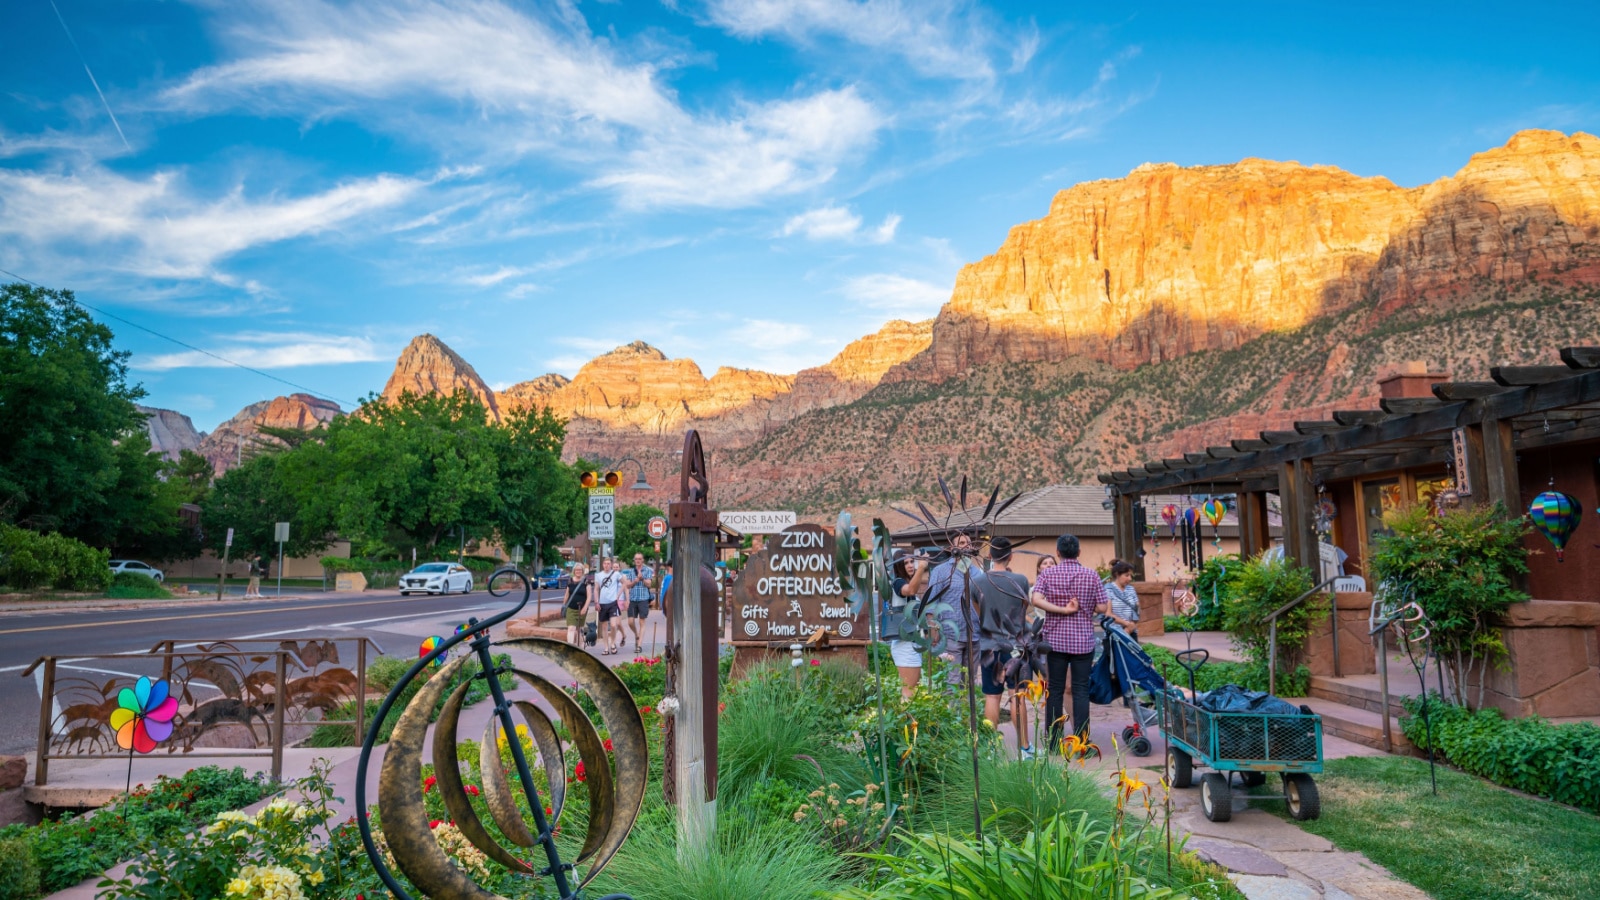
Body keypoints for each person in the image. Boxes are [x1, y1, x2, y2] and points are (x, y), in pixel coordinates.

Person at [1031, 534, 1108, 751]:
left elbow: (1036, 599)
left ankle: (1054, 743)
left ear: (1057, 553)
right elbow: (1103, 608)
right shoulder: (1091, 575)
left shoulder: (1048, 574)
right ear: (1079, 552)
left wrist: (1061, 609)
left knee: (1054, 690)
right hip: (1083, 641)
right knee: (1081, 690)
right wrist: (1085, 606)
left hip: (1054, 641)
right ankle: (1081, 743)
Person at [978, 536, 1033, 756]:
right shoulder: (1020, 580)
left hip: (989, 646)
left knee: (992, 696)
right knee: (1017, 695)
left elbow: (976, 609)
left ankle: (990, 749)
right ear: (1010, 555)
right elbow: (1024, 608)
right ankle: (1024, 748)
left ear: (990, 556)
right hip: (1015, 647)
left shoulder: (979, 581)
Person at [885, 550, 931, 700]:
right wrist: (921, 568)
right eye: (906, 563)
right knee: (909, 692)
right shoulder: (898, 582)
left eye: (912, 561)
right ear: (898, 565)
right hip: (904, 644)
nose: (910, 565)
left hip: (909, 643)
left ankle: (908, 721)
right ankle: (905, 722)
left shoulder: (907, 584)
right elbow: (910, 589)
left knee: (911, 691)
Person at [623, 552, 655, 653]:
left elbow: (649, 584)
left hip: (643, 599)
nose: (637, 560)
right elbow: (627, 585)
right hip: (633, 599)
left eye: (639, 559)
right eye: (636, 559)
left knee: (642, 621)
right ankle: (636, 634)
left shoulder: (648, 570)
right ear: (634, 560)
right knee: (630, 621)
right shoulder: (631, 571)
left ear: (643, 560)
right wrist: (635, 581)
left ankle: (639, 645)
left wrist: (642, 579)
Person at [1103, 559, 1140, 640]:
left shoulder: (1131, 589)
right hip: (1114, 633)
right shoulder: (1108, 590)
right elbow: (1108, 614)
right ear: (1117, 574)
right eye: (1127, 575)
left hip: (1131, 632)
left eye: (1131, 575)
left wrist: (1129, 628)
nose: (1130, 578)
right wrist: (1126, 624)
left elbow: (1137, 610)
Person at [594, 557, 624, 655]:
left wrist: (618, 594)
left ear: (611, 565)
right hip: (602, 602)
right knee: (604, 626)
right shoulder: (598, 575)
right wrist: (596, 602)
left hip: (613, 602)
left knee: (613, 625)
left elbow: (624, 583)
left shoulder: (616, 574)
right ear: (602, 565)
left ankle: (613, 643)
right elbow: (596, 589)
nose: (606, 565)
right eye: (605, 564)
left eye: (608, 563)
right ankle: (606, 647)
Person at [563, 563, 592, 647]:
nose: (578, 571)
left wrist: (585, 608)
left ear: (582, 571)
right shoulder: (570, 580)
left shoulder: (586, 581)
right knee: (571, 628)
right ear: (574, 571)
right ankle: (571, 647)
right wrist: (563, 605)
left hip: (582, 608)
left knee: (580, 629)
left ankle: (581, 647)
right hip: (571, 608)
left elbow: (589, 596)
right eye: (576, 570)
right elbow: (567, 594)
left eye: (580, 570)